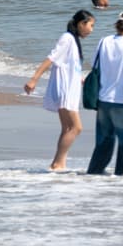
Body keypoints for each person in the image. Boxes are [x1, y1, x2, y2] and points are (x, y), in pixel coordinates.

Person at [24, 10, 95, 171]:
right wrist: (34, 78)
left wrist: (80, 78)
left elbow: (70, 65)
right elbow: (52, 57)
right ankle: (57, 163)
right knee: (76, 128)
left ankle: (59, 163)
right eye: (91, 25)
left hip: (69, 86)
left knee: (67, 128)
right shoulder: (68, 38)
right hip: (65, 89)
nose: (92, 29)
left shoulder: (73, 40)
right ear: (81, 24)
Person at [86, 11, 123, 176]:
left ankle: (94, 173)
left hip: (103, 98)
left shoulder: (104, 41)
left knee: (104, 140)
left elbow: (94, 64)